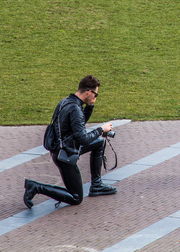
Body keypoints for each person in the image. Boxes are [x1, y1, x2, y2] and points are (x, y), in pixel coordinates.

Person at [23, 75, 116, 209]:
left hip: (62, 148)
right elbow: (83, 139)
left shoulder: (67, 101)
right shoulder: (75, 109)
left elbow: (79, 124)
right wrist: (101, 129)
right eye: (96, 95)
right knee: (76, 198)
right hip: (65, 156)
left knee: (98, 142)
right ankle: (35, 187)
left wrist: (90, 106)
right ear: (89, 92)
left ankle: (96, 185)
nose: (96, 97)